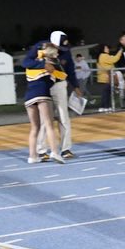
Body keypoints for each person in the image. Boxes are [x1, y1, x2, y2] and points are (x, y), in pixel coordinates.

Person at [35, 31, 82, 159]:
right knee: (44, 119)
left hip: (60, 85)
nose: (62, 50)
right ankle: (41, 150)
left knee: (63, 117)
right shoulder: (41, 49)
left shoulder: (66, 52)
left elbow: (70, 70)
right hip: (44, 85)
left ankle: (66, 149)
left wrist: (76, 86)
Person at [22, 42, 64, 164]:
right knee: (49, 125)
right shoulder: (52, 66)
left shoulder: (32, 62)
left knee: (34, 128)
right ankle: (55, 152)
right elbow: (60, 77)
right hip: (42, 94)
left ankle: (32, 156)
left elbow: (27, 61)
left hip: (29, 96)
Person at [95, 43, 117, 112]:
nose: (108, 49)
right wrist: (120, 52)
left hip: (107, 78)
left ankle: (107, 106)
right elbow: (114, 59)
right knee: (105, 93)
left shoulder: (104, 56)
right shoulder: (103, 56)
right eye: (106, 48)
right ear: (103, 49)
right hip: (105, 78)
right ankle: (104, 106)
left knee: (107, 93)